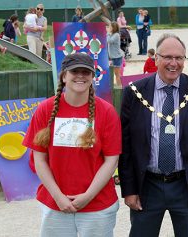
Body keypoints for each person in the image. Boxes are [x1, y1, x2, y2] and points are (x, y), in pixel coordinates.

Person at [119, 33, 188, 237]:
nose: (174, 63)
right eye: (167, 57)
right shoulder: (134, 93)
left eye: (179, 58)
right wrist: (129, 189)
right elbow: (125, 146)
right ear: (156, 59)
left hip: (185, 185)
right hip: (147, 185)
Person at [22, 53, 121, 237]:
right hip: (55, 204)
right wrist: (58, 197)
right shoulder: (45, 109)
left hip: (97, 206)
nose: (81, 76)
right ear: (64, 76)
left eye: (86, 72)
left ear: (93, 77)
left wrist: (88, 196)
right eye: (75, 71)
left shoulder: (107, 112)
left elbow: (111, 160)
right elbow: (39, 159)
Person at [107, 21, 124, 85]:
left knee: (117, 74)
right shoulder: (112, 34)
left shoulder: (116, 35)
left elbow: (109, 41)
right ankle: (118, 85)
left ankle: (119, 87)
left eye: (110, 26)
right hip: (114, 57)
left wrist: (108, 33)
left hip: (117, 57)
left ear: (113, 28)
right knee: (115, 73)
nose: (109, 28)